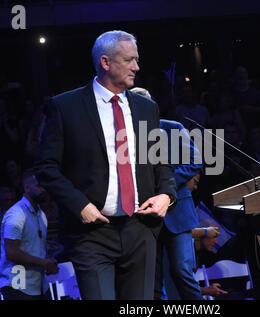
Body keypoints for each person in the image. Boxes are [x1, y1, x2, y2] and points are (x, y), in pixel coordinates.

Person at [34, 30, 177, 300]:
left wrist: (166, 195)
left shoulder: (147, 108)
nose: (137, 66)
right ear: (106, 62)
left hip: (141, 228)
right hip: (91, 233)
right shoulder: (65, 107)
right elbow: (46, 167)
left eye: (137, 59)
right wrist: (80, 205)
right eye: (129, 60)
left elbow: (161, 160)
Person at [131, 87, 204, 300]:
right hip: (143, 217)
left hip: (177, 212)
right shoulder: (124, 136)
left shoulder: (173, 128)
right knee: (153, 279)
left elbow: (195, 161)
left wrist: (165, 187)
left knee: (182, 270)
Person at [0, 169, 59, 300]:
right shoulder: (16, 214)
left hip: (38, 285)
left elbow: (37, 247)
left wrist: (49, 259)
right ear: (26, 187)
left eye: (44, 186)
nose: (43, 189)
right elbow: (12, 253)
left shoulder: (41, 215)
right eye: (39, 186)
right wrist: (44, 263)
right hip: (17, 285)